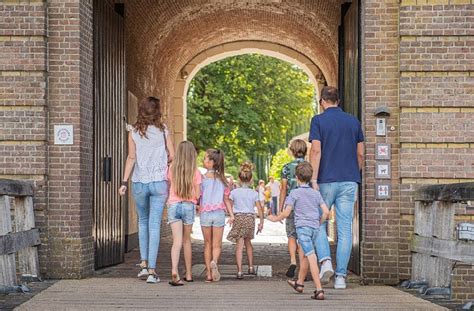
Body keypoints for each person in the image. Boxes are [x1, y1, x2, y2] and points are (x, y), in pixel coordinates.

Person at [309, 86, 364, 289]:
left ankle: (325, 262)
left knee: (318, 223)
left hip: (325, 180)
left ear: (322, 101)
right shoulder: (353, 121)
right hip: (349, 180)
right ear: (338, 101)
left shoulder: (318, 121)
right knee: (345, 228)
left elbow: (316, 150)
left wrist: (313, 180)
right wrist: (353, 173)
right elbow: (360, 154)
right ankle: (341, 277)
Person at [118, 96, 174, 284]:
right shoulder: (163, 130)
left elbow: (131, 158)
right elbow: (172, 155)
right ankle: (152, 271)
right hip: (159, 182)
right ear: (157, 111)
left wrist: (124, 182)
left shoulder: (133, 131)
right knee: (154, 224)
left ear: (141, 110)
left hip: (140, 182)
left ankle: (143, 264)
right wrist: (160, 165)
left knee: (142, 221)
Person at [268, 161, 329, 300]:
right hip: (314, 229)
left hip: (303, 230)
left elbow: (286, 213)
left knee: (312, 258)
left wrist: (274, 218)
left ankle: (319, 290)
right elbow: (326, 212)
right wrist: (319, 223)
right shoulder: (316, 193)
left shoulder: (294, 193)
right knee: (305, 255)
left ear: (296, 177)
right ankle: (299, 284)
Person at [167, 141, 202, 286]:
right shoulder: (196, 172)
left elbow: (169, 185)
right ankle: (188, 274)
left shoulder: (171, 168)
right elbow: (198, 194)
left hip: (174, 205)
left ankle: (174, 270)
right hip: (188, 206)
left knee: (176, 242)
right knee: (187, 241)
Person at [199, 148, 235, 282]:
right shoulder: (223, 180)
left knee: (207, 244)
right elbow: (226, 199)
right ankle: (214, 261)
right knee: (217, 245)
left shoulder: (202, 180)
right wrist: (231, 215)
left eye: (205, 158)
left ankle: (208, 274)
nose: (204, 160)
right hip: (219, 213)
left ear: (211, 162)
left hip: (205, 214)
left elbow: (198, 195)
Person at [226, 162, 264, 279]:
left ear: (239, 178)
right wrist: (261, 223)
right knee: (248, 243)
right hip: (249, 219)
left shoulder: (234, 192)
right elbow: (259, 209)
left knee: (239, 245)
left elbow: (229, 207)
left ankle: (239, 271)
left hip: (239, 218)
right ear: (251, 180)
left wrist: (231, 216)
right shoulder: (254, 193)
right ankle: (251, 267)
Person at [279, 139, 307, 278]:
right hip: (306, 205)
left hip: (291, 204)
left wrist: (280, 208)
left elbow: (283, 189)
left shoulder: (286, 167)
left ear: (292, 151)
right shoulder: (309, 167)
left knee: (291, 234)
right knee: (303, 235)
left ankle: (292, 260)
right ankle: (303, 266)